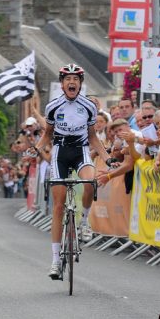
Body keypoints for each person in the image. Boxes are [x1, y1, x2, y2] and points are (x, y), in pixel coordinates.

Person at [30, 63, 114, 280]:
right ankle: (55, 261)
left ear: (80, 83)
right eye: (68, 79)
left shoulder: (88, 106)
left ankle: (84, 222)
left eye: (75, 79)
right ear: (62, 83)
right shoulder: (53, 106)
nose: (72, 82)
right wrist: (36, 149)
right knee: (58, 206)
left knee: (89, 182)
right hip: (60, 153)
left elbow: (94, 137)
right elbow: (47, 135)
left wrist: (107, 157)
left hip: (81, 151)